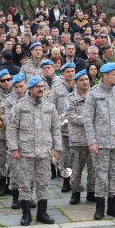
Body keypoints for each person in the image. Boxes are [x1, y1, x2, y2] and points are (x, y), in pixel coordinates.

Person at [7, 75, 62, 226]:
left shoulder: (50, 107)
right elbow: (12, 128)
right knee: (25, 183)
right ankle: (26, 214)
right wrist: (13, 148)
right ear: (30, 89)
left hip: (44, 152)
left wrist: (58, 147)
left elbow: (56, 129)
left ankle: (42, 213)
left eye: (42, 86)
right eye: (37, 87)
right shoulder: (20, 106)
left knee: (43, 182)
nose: (41, 89)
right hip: (25, 151)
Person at [83, 62, 115, 220]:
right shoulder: (93, 94)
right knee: (101, 175)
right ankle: (100, 206)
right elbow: (87, 120)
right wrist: (91, 141)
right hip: (101, 142)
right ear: (105, 75)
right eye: (114, 74)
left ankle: (113, 205)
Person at [66, 69, 96, 205]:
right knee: (76, 169)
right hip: (77, 140)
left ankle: (92, 192)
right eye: (82, 80)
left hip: (93, 139)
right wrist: (89, 119)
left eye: (87, 79)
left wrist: (88, 119)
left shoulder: (94, 96)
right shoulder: (70, 98)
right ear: (76, 83)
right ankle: (75, 193)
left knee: (93, 168)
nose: (85, 82)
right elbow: (72, 117)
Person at [2, 73, 27, 209]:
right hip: (14, 139)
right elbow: (8, 120)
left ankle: (27, 197)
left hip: (30, 140)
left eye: (21, 86)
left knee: (29, 172)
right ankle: (15, 197)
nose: (18, 89)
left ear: (26, 85)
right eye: (16, 87)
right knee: (15, 170)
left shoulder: (31, 98)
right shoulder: (8, 100)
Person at [51, 62, 76, 193]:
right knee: (65, 156)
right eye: (68, 71)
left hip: (78, 129)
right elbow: (51, 106)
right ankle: (66, 181)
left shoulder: (79, 85)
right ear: (62, 73)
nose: (71, 73)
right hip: (63, 128)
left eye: (73, 71)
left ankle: (75, 181)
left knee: (76, 157)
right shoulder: (57, 88)